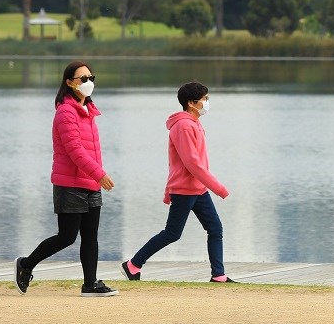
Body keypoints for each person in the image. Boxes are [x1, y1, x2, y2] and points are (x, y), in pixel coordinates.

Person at [15, 61, 117, 297]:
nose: (88, 82)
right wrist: (100, 174)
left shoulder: (89, 111)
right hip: (70, 184)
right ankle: (26, 265)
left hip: (90, 182)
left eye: (91, 77)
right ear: (69, 83)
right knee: (67, 237)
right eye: (83, 78)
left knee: (91, 236)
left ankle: (90, 284)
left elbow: (92, 150)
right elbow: (75, 151)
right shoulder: (65, 112)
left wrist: (96, 176)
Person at [121, 81, 235, 283]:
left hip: (198, 189)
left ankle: (218, 275)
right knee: (172, 233)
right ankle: (133, 264)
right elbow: (191, 163)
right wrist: (219, 188)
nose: (207, 103)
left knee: (215, 228)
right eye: (204, 99)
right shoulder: (183, 126)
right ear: (192, 103)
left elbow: (183, 163)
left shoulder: (195, 124)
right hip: (185, 190)